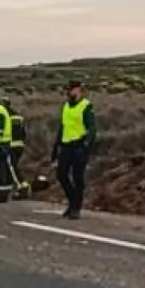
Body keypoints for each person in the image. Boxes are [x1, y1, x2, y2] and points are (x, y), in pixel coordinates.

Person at [52, 80, 96, 219]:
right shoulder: (66, 106)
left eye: (72, 89)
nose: (69, 92)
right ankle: (72, 201)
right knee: (61, 174)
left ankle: (76, 207)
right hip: (66, 145)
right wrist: (56, 147)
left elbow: (92, 128)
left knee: (78, 177)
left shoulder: (86, 106)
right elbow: (63, 127)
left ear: (79, 90)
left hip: (79, 145)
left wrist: (86, 145)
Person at [4, 97, 30, 198]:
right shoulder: (19, 117)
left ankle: (23, 186)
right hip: (20, 145)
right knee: (12, 167)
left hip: (10, 145)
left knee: (12, 167)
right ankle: (11, 188)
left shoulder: (5, 116)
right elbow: (24, 133)